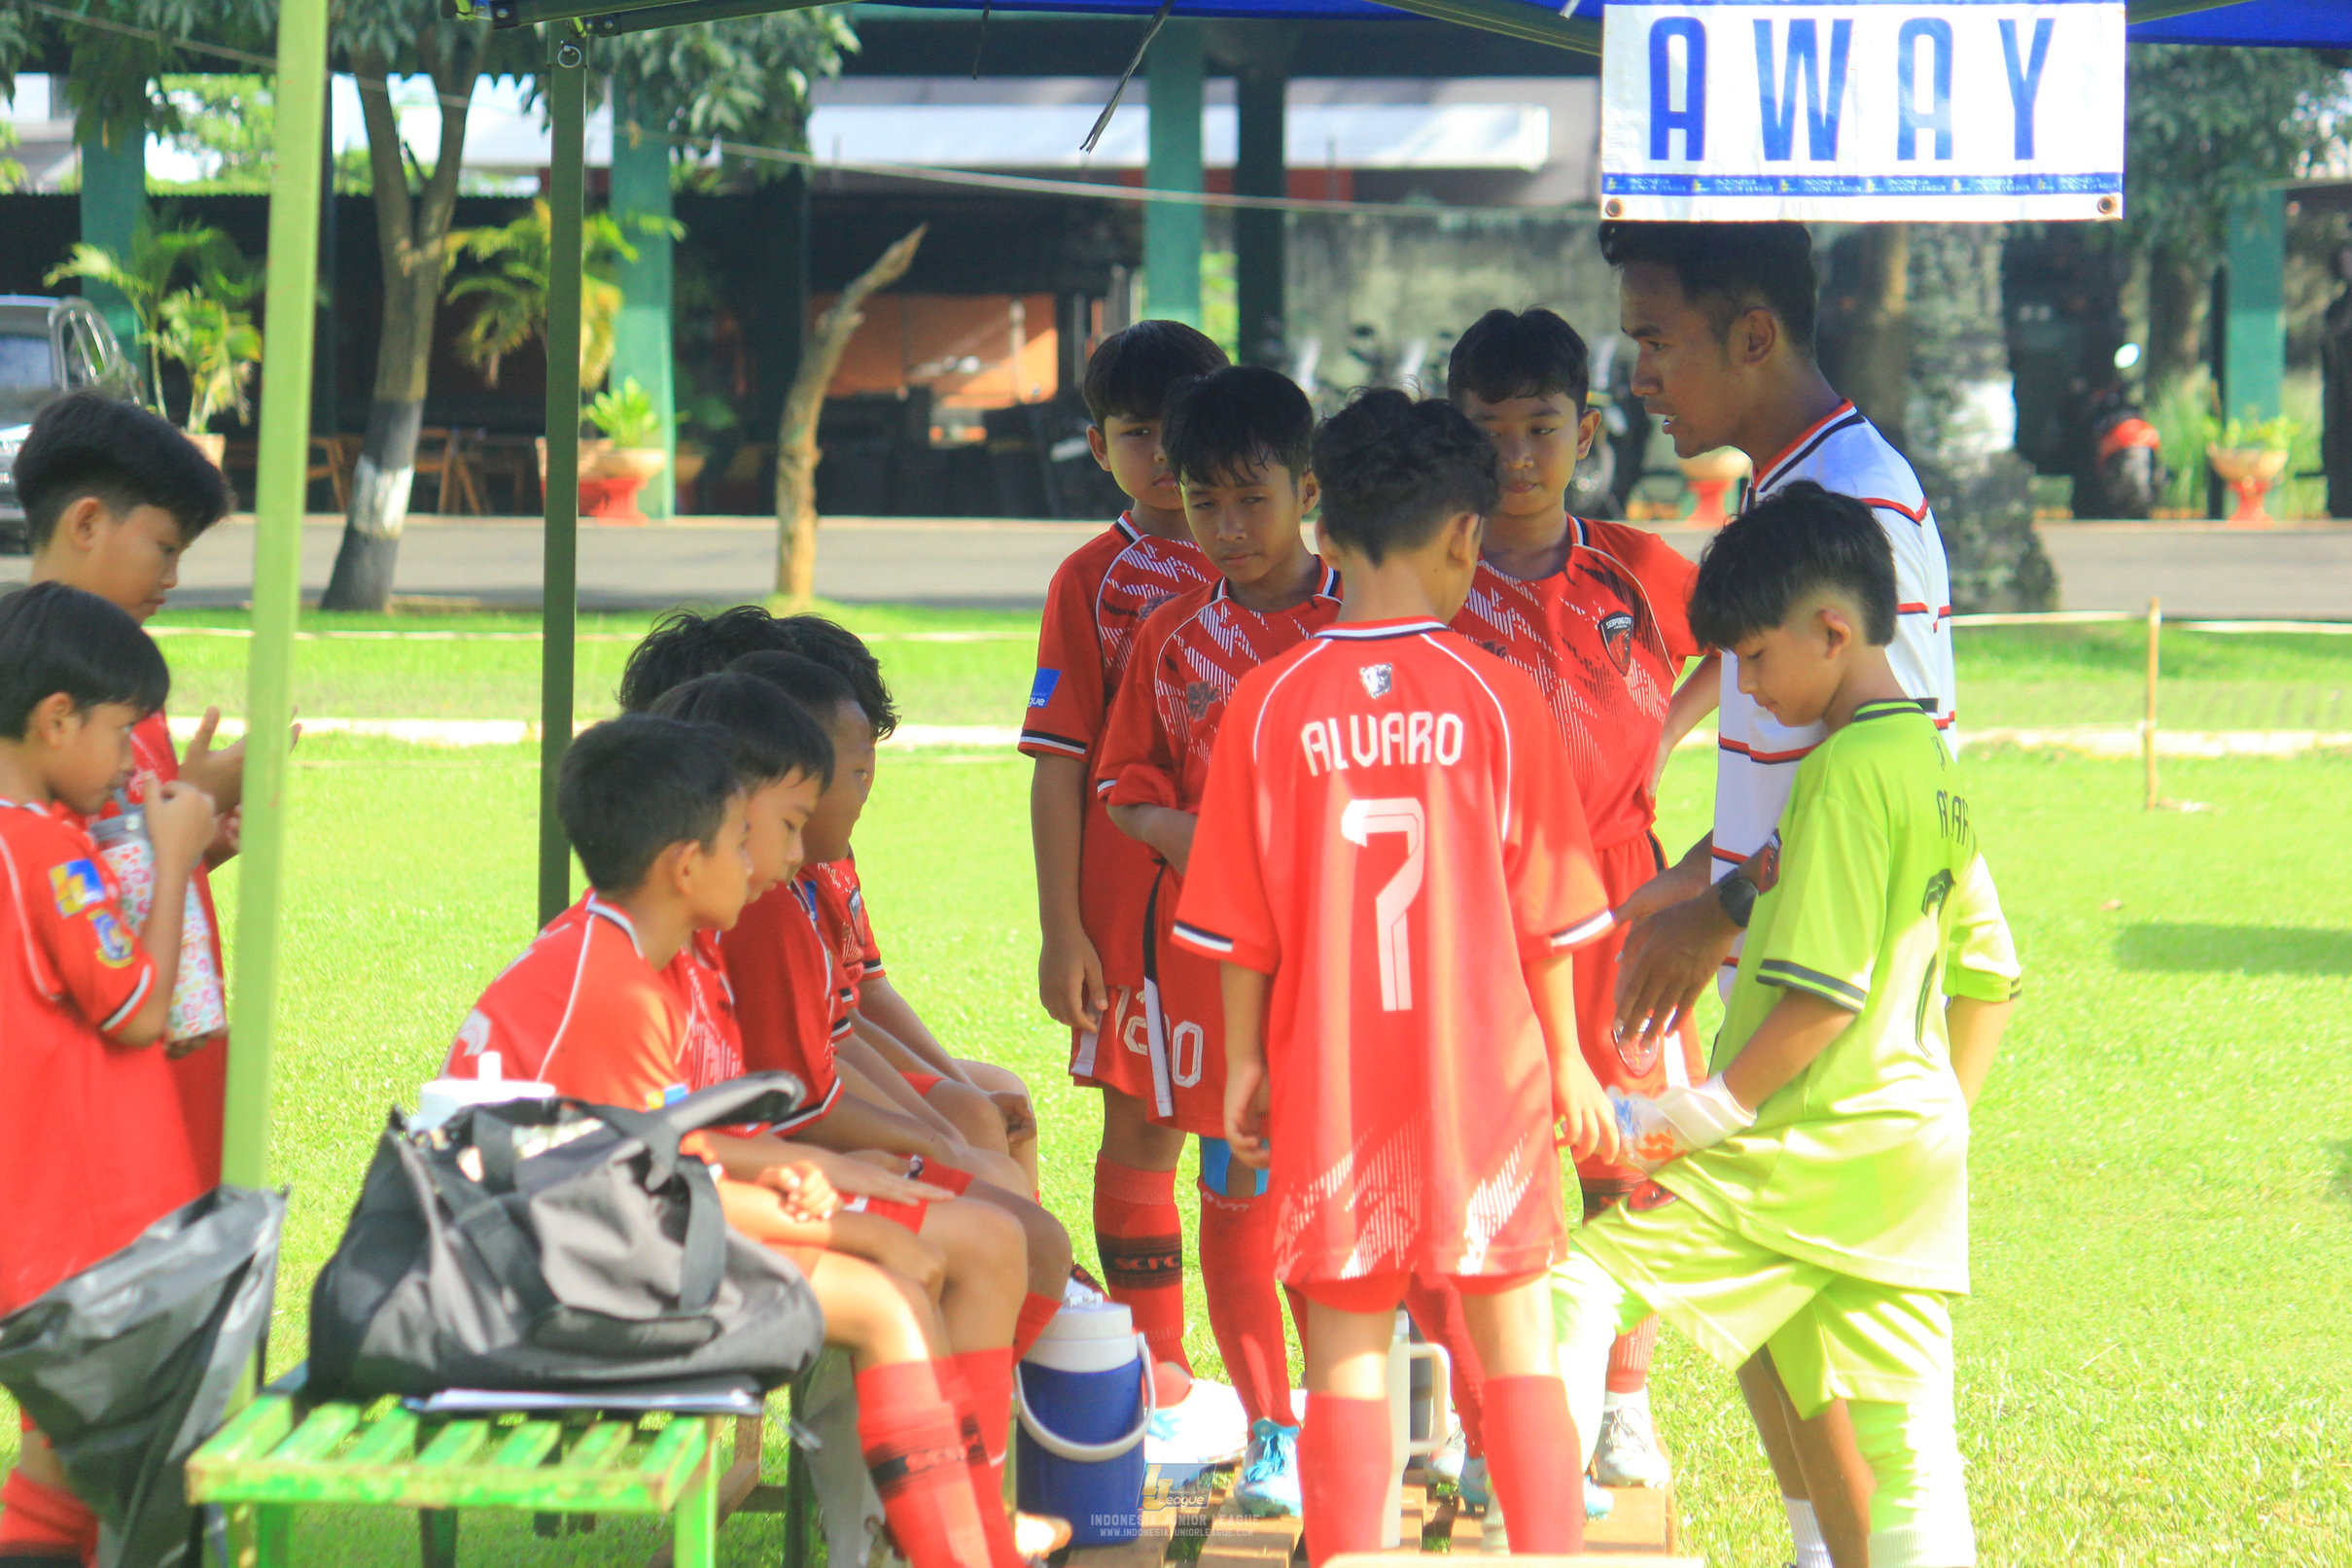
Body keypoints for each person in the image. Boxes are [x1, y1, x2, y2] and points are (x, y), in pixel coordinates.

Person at [1173, 390, 1622, 1566]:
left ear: (1322, 527)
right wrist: (1571, 1057)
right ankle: (1548, 1552)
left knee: (1347, 1356)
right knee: (1516, 1340)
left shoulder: (1266, 704)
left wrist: (1250, 1065)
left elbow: (1238, 925)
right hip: (1483, 1081)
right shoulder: (1497, 693)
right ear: (1465, 534)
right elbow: (1551, 911)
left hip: (1332, 1079)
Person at [443, 714, 1036, 1568]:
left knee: (944, 1254)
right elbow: (643, 1187)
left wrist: (814, 1165)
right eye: (747, 840)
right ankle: (952, 1548)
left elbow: (670, 1143)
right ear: (687, 865)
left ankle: (960, 1539)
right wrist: (854, 1224)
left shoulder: (653, 952)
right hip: (546, 1291)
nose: (773, 860)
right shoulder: (616, 985)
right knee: (889, 1295)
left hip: (603, 1241)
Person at [1553, 483, 2018, 1568]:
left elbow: (1821, 994)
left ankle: (1533, 1533)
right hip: (1899, 1156)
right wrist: (1939, 1117)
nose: (1746, 690)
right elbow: (1991, 971)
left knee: (1575, 1289)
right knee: (1911, 1447)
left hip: (1794, 1149)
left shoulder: (1847, 776)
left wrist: (1691, 1117)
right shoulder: (1929, 765)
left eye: (1755, 660)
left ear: (1832, 631)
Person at [1599, 219, 1959, 1568]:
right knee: (1757, 1326)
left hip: (1833, 1004)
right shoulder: (1782, 492)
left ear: (1751, 334)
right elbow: (1779, 781)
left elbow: (1887, 792)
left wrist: (1724, 912)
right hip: (1773, 963)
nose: (1636, 375)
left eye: (1653, 340)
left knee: (1827, 1367)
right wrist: (1669, 892)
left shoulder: (1854, 506)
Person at [1433, 306, 1711, 1505]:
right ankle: (1467, 1414)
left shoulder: (1641, 571)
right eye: (1485, 429)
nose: (1513, 453)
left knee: (1632, 1153)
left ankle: (1622, 1405)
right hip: (1475, 902)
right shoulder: (1424, 567)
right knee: (1476, 1161)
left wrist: (1665, 729)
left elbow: (1746, 650)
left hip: (1624, 895)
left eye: (1539, 425)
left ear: (1586, 432)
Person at [1095, 365, 1341, 1516]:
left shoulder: (1364, 622)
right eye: (1204, 504)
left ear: (1306, 488)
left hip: (1349, 978)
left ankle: (1387, 1417)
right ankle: (1273, 1429)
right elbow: (1123, 785)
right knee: (1236, 1189)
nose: (1229, 530)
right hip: (1213, 975)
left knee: (1354, 1194)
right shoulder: (1169, 637)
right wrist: (1196, 835)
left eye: (1252, 500)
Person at [721, 649, 1075, 1361]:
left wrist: (920, 1145)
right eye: (791, 821)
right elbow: (764, 1121)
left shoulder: (772, 901)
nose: (802, 857)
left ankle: (984, 1432)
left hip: (735, 1184)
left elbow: (825, 1048)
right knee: (995, 1243)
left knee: (997, 1213)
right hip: (694, 1220)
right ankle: (984, 1432)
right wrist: (919, 1154)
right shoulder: (757, 916)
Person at [1017, 320, 1232, 1439]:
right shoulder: (1090, 579)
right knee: (1143, 1127)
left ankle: (1280, 1387)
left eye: (1180, 426)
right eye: (1136, 433)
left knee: (1258, 1132)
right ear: (1098, 444)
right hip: (1129, 909)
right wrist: (1065, 929)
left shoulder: (1277, 553)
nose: (1162, 456)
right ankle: (1160, 1372)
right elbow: (1058, 770)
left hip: (1266, 908)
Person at [0, 582, 215, 1566]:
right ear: (55, 720)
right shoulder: (42, 847)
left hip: (32, 1219)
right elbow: (136, 1008)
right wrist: (174, 857)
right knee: (90, 1461)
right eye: (124, 733)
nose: (135, 758)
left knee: (76, 1458)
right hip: (76, 1232)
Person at [17, 391, 240, 1185]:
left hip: (172, 1089)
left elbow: (110, 876)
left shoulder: (122, 690)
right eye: (165, 548)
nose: (174, 578)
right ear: (86, 523)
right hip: (90, 1120)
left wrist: (193, 844)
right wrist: (181, 806)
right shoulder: (29, 698)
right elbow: (41, 888)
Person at [774, 613, 1045, 1193]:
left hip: (838, 1073)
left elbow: (863, 998)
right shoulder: (773, 897)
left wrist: (956, 1096)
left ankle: (1043, 1268)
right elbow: (828, 1043)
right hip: (806, 1113)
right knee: (975, 1119)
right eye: (857, 767)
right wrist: (947, 1121)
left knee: (990, 1098)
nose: (867, 785)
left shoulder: (826, 861)